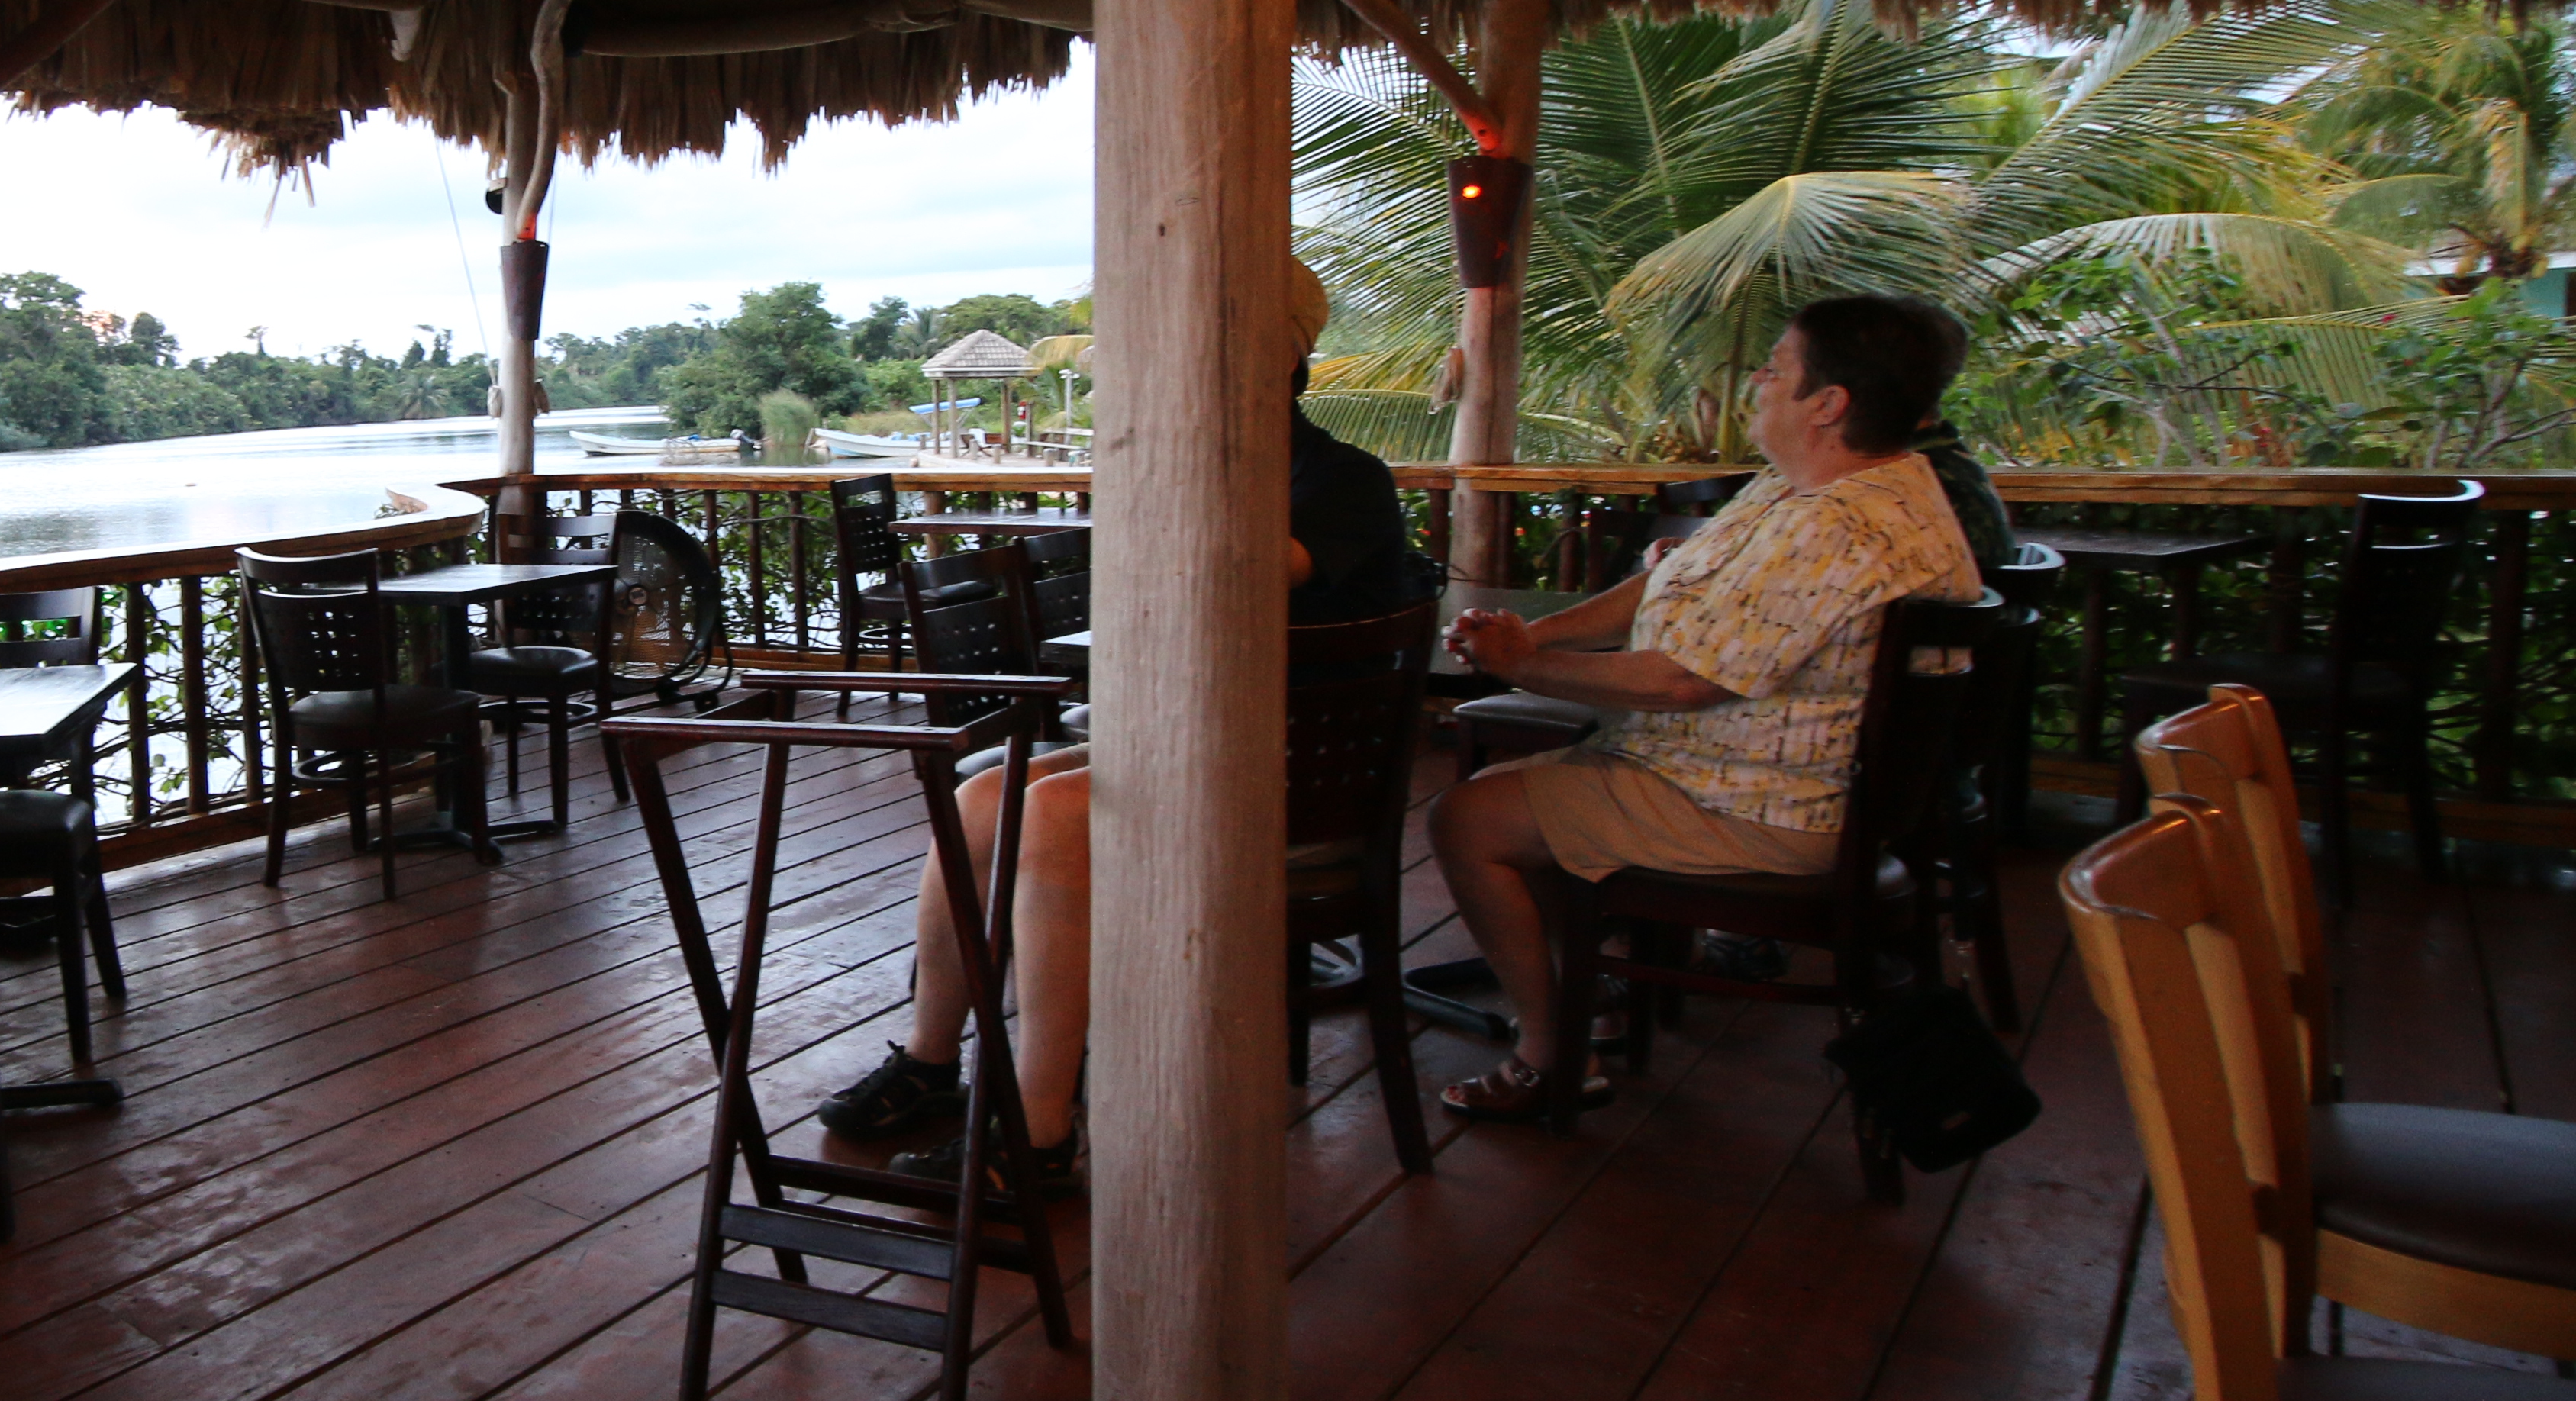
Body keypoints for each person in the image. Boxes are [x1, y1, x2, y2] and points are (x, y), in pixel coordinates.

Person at [816, 256, 1430, 1185]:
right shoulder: (1202, 470)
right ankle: (934, 1059)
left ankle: (1043, 1126)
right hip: (1194, 752)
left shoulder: (1342, 481)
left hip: (1298, 788)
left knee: (1060, 820)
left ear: (1278, 365)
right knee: (978, 797)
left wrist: (1187, 466)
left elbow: (1234, 575)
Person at [1424, 294, 1987, 1123]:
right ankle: (1588, 993)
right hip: (1733, 776)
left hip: (1766, 805)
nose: (1759, 380)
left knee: (1468, 820)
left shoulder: (1840, 525)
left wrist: (1532, 667)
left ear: (1829, 405)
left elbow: (1690, 681)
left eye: (1778, 369)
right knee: (1515, 799)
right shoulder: (1807, 491)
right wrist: (1530, 636)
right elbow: (1664, 583)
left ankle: (1552, 1055)